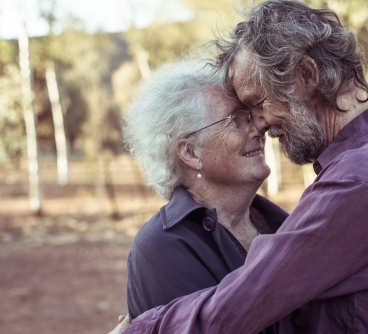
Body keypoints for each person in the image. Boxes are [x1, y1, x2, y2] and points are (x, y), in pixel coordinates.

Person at [119, 0, 368, 333]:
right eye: (240, 117)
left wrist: (141, 329)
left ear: (306, 75)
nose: (261, 125)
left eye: (257, 103)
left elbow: (240, 306)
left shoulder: (361, 181)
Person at [122, 59, 289, 334]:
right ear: (190, 153)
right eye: (237, 119)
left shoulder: (282, 224)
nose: (259, 128)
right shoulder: (161, 247)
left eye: (251, 115)